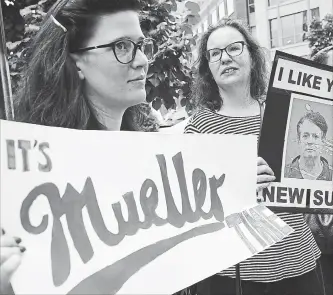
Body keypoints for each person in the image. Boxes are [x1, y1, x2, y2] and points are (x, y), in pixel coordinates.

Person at [0, 0, 158, 293]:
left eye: (141, 44)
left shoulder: (151, 162)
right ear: (76, 62)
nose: (141, 60)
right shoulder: (27, 180)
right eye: (122, 46)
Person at [184, 18, 323, 295]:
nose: (225, 58)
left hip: (300, 261)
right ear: (207, 68)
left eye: (234, 48)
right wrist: (234, 183)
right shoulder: (199, 127)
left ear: (251, 54)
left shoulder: (285, 111)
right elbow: (190, 205)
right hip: (236, 272)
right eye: (215, 54)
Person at [284, 111, 332, 180]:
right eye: (305, 136)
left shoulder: (331, 176)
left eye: (315, 136)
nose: (310, 142)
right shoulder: (283, 173)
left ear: (323, 141)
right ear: (298, 140)